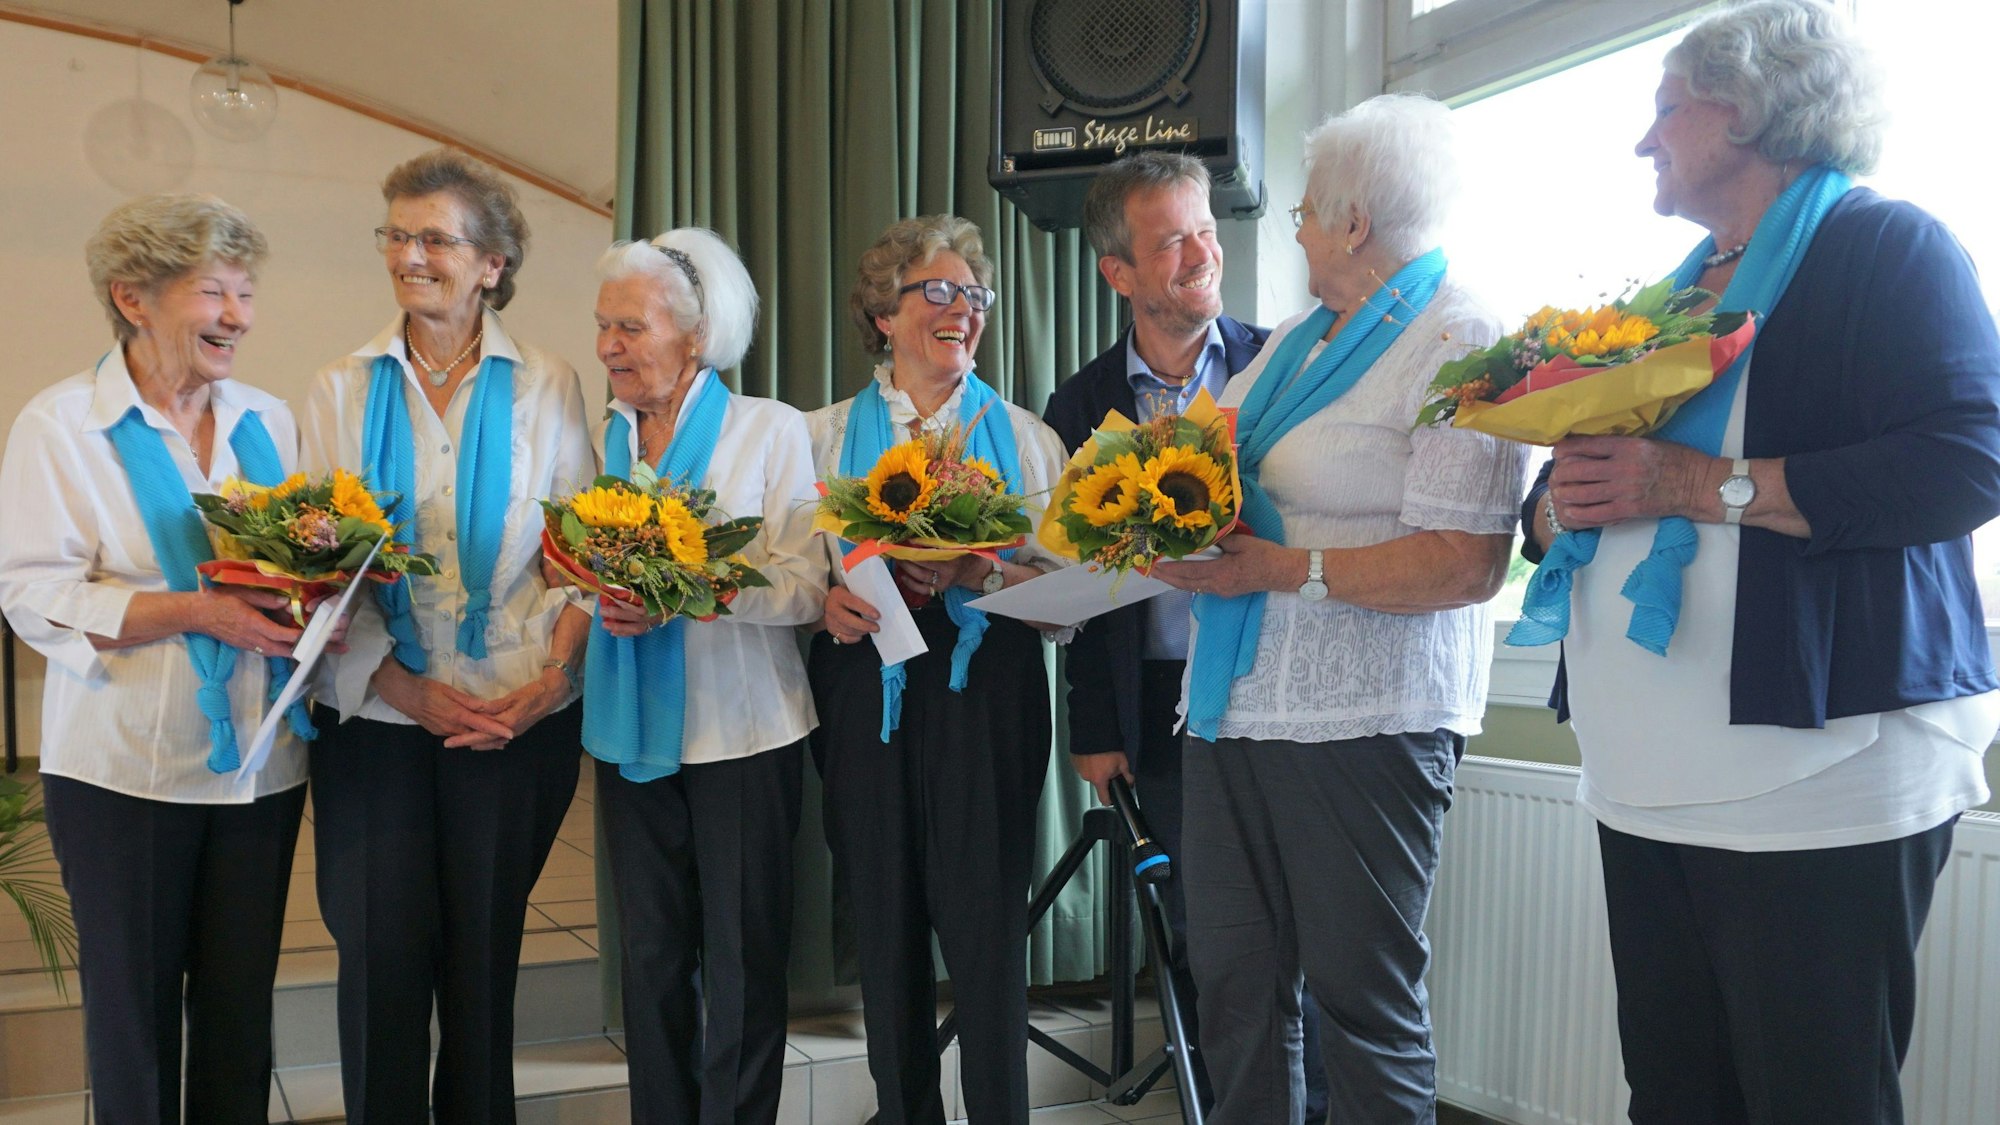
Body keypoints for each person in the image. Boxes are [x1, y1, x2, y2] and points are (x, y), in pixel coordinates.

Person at [1515, 3, 2000, 1120]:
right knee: (1675, 1096)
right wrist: (1550, 515)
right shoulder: (1673, 294)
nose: (1645, 141)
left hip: (1817, 772)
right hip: (1647, 769)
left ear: (1736, 113)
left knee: (1808, 1098)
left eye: (1663, 111)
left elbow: (1966, 460)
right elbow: (1590, 475)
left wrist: (1694, 489)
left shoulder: (1885, 246)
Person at [1151, 94, 1526, 1124]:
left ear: (1353, 222)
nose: (1299, 229)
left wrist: (1275, 569)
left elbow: (1461, 565)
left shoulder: (1465, 337)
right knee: (1233, 989)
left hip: (1369, 723)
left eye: (1306, 210)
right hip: (1234, 706)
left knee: (1360, 1009)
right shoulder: (1294, 342)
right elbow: (1202, 461)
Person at [0, 194, 309, 1123]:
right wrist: (199, 611)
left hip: (261, 765)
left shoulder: (270, 419)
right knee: (132, 1021)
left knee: (238, 1010)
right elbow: (33, 591)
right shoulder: (61, 425)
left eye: (246, 293)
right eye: (213, 291)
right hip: (125, 770)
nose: (238, 316)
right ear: (132, 298)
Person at [301, 148, 594, 1125]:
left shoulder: (549, 383)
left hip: (512, 715)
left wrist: (549, 685)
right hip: (375, 717)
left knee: (482, 964)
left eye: (435, 237)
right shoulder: (338, 388)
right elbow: (315, 573)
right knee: (380, 958)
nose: (409, 255)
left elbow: (580, 556)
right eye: (396, 234)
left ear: (492, 263)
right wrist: (403, 687)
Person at [1042, 149, 1336, 1118]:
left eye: (1204, 232)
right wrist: (1093, 727)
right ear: (1117, 272)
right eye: (1169, 242)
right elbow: (1077, 589)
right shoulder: (1078, 407)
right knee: (1215, 951)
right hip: (1160, 708)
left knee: (1313, 943)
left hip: (1281, 688)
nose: (1198, 255)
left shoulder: (1282, 365)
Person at [807, 214, 1071, 1124]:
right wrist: (823, 603)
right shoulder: (818, 438)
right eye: (940, 291)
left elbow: (1069, 605)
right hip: (861, 690)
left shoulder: (1031, 442)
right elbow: (789, 580)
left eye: (975, 295)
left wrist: (982, 569)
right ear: (885, 312)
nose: (963, 309)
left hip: (987, 696)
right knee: (883, 922)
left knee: (988, 931)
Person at [584, 227, 826, 1124]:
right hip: (625, 732)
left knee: (742, 954)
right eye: (603, 325)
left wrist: (687, 593)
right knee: (650, 956)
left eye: (631, 327)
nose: (610, 345)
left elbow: (805, 588)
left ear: (694, 336)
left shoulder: (771, 428)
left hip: (744, 732)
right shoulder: (603, 437)